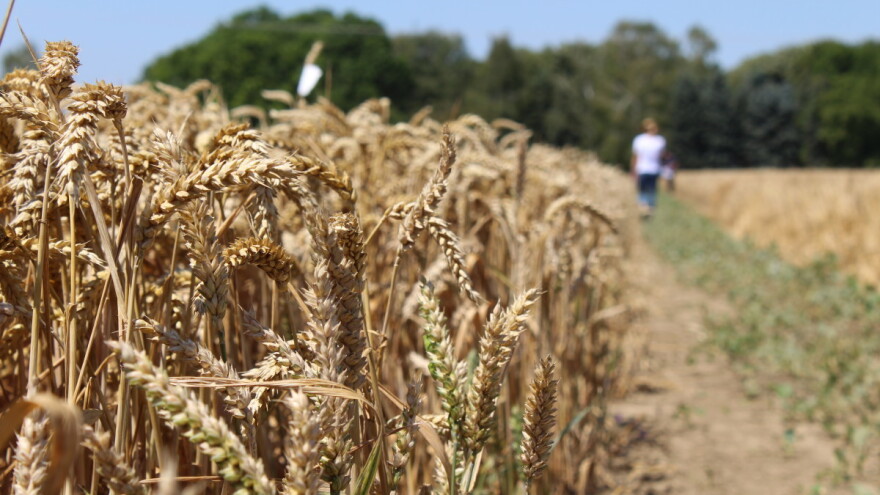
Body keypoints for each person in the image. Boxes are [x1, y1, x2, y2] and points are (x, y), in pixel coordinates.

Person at [630, 118, 665, 217]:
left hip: (647, 169)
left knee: (646, 190)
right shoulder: (659, 141)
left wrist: (633, 169)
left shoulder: (639, 140)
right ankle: (647, 210)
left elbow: (635, 156)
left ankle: (645, 210)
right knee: (648, 190)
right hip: (649, 169)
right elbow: (661, 156)